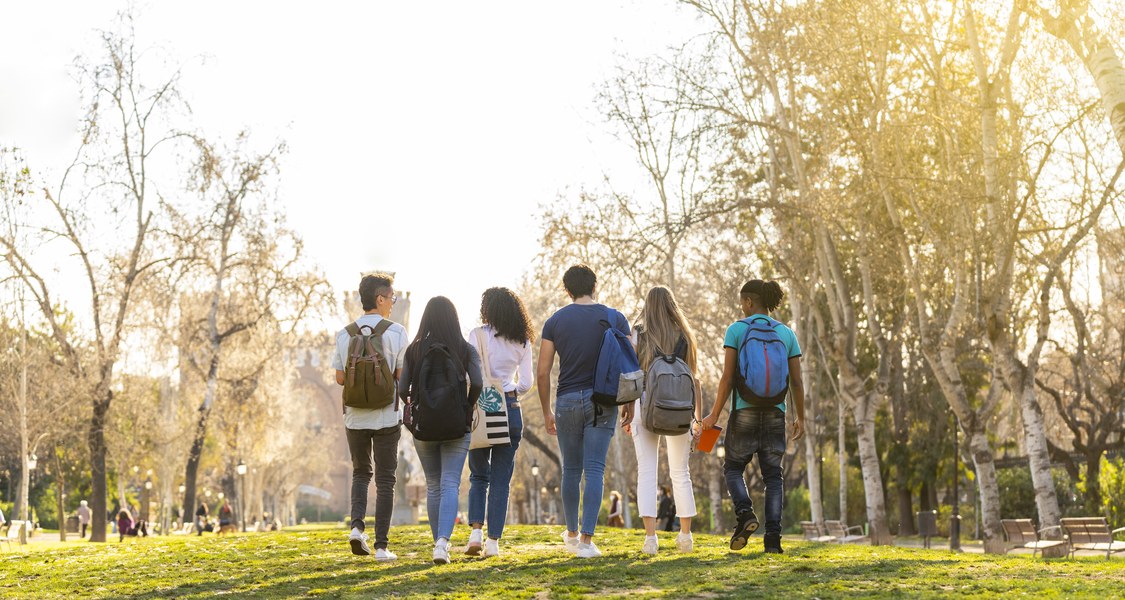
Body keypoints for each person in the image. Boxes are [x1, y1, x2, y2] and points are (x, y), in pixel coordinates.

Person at [537, 264, 634, 559]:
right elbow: (630, 364)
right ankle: (586, 542)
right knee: (594, 470)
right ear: (595, 285)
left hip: (566, 400)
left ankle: (570, 533)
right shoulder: (615, 317)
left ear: (567, 290)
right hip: (602, 400)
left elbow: (542, 372)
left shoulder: (555, 321)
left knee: (571, 469)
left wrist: (546, 412)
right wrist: (629, 403)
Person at [702, 279, 805, 554]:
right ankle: (773, 540)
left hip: (744, 410)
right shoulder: (786, 334)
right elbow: (796, 382)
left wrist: (713, 414)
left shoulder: (737, 329)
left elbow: (727, 378)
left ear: (749, 302)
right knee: (773, 476)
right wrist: (800, 418)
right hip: (776, 412)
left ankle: (745, 514)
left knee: (733, 468)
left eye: (742, 302)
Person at [399, 296, 482, 565]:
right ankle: (442, 544)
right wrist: (467, 406)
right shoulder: (465, 348)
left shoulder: (414, 350)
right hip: (457, 425)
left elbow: (401, 390)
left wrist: (414, 408)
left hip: (424, 428)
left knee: (433, 485)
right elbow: (478, 382)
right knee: (450, 484)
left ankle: (438, 544)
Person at [332, 273, 409, 562]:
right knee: (386, 480)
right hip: (387, 417)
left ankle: (356, 528)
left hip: (354, 417)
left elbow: (340, 378)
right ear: (379, 298)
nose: (393, 302)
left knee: (361, 473)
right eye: (391, 297)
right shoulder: (397, 332)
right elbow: (401, 375)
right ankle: (381, 547)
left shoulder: (344, 334)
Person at [626, 285, 703, 555]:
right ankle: (685, 536)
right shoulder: (685, 335)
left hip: (645, 407)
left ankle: (650, 539)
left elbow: (632, 376)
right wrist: (698, 419)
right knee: (681, 473)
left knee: (647, 471)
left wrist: (628, 410)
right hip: (681, 409)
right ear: (672, 304)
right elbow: (694, 380)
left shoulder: (638, 333)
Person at [465, 287, 534, 558]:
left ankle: (474, 534)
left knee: (479, 474)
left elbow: (471, 374)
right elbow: (526, 383)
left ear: (488, 309)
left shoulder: (477, 335)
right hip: (510, 407)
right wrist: (510, 387)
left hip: (482, 408)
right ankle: (493, 542)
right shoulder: (523, 340)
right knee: (501, 479)